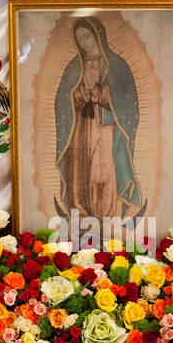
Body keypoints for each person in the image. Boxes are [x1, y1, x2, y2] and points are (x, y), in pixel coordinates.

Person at [54, 16, 141, 220]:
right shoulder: (74, 67)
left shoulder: (117, 65)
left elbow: (128, 100)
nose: (83, 42)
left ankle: (109, 216)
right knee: (78, 173)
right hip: (79, 129)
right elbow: (61, 101)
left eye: (86, 36)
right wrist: (80, 94)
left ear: (98, 35)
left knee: (104, 174)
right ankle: (81, 216)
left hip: (107, 128)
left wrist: (100, 92)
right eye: (79, 39)